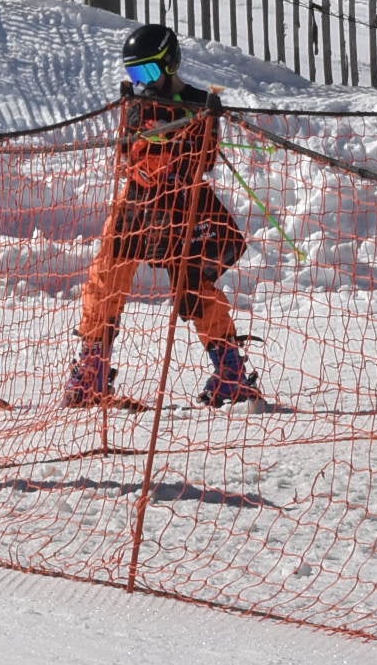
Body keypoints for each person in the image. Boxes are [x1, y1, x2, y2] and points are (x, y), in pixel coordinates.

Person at [65, 22, 261, 410]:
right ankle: (93, 366)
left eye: (149, 72)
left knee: (193, 288)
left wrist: (194, 132)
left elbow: (203, 158)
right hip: (137, 204)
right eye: (135, 74)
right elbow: (127, 153)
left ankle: (230, 372)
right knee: (106, 277)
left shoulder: (197, 102)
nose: (142, 82)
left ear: (170, 65)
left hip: (179, 206)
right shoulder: (135, 103)